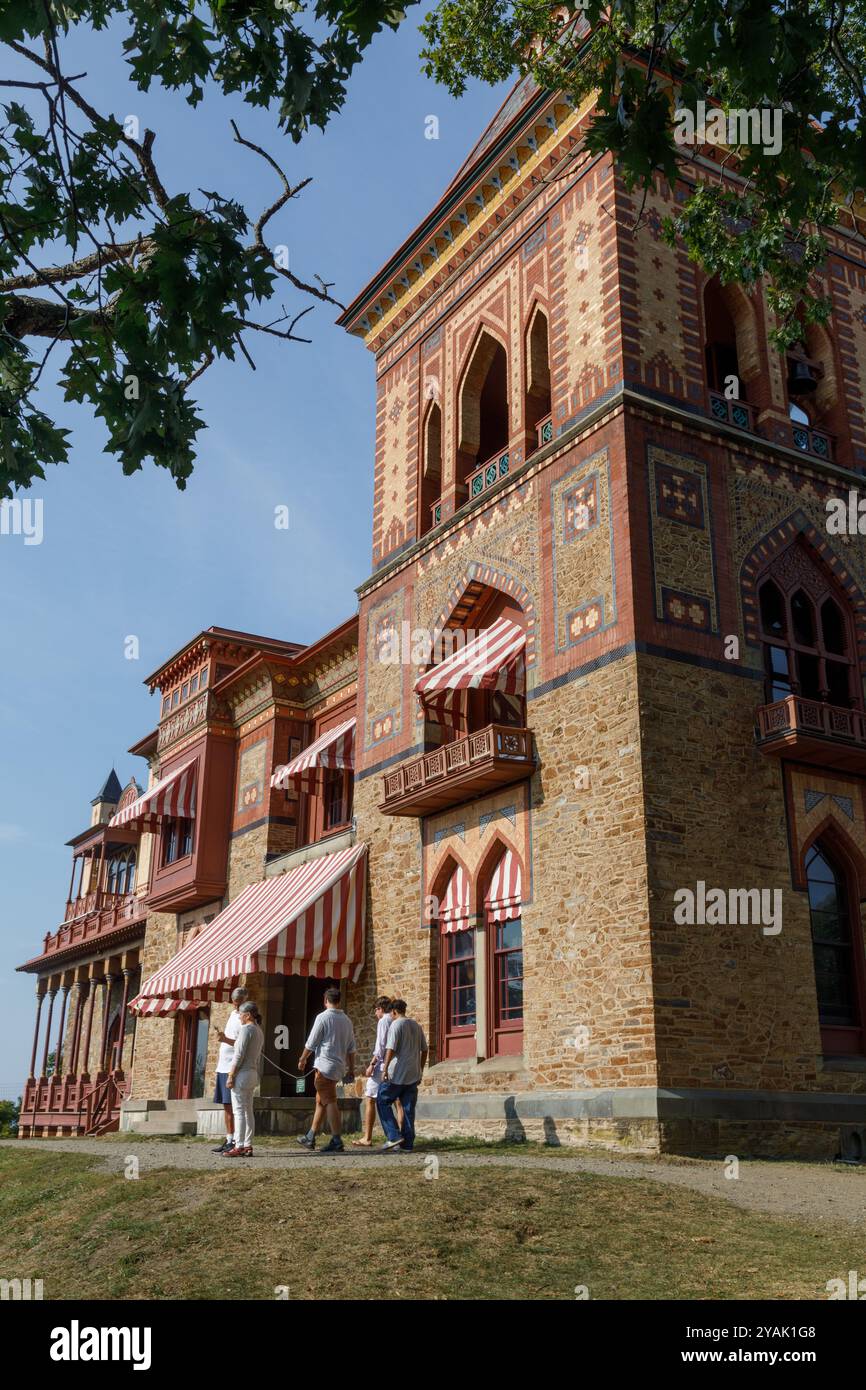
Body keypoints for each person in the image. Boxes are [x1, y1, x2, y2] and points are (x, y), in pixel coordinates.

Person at [297, 986, 356, 1154]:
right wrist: (351, 1069)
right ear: (339, 1001)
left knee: (329, 1101)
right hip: (338, 1067)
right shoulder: (347, 1020)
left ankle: (337, 1139)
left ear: (325, 1001)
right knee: (321, 1100)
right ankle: (311, 1136)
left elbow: (312, 1042)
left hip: (324, 1066)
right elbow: (352, 1048)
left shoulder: (322, 1018)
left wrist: (302, 1058)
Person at [376, 999, 428, 1153]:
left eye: (391, 1014)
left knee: (382, 1100)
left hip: (397, 1073)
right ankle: (408, 1144)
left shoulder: (396, 1024)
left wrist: (384, 1069)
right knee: (407, 1108)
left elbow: (390, 1049)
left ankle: (393, 1135)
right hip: (413, 1074)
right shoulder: (416, 1026)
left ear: (394, 1012)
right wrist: (420, 1069)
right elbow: (424, 1050)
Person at [352, 995, 403, 1148]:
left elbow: (381, 1046)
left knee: (370, 1099)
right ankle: (402, 1135)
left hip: (381, 1066)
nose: (375, 1014)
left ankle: (367, 1137)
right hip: (396, 1065)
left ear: (380, 1009)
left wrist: (372, 1064)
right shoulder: (396, 1021)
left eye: (375, 1010)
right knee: (397, 1102)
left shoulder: (383, 1021)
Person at [224, 1000, 264, 1158]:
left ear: (247, 1015)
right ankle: (248, 1144)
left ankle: (239, 1145)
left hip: (242, 1074)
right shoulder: (258, 1030)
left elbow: (238, 1055)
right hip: (253, 1073)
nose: (239, 1017)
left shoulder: (246, 1029)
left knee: (239, 1111)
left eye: (241, 1014)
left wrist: (231, 1075)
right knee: (248, 1111)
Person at [211, 986, 248, 1154]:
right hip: (223, 1065)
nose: (236, 1005)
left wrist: (225, 1039)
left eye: (239, 1002)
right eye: (234, 1002)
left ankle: (236, 1140)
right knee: (226, 1105)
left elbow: (242, 1045)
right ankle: (229, 1138)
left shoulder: (245, 1019)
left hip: (233, 1066)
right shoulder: (233, 1014)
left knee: (235, 1107)